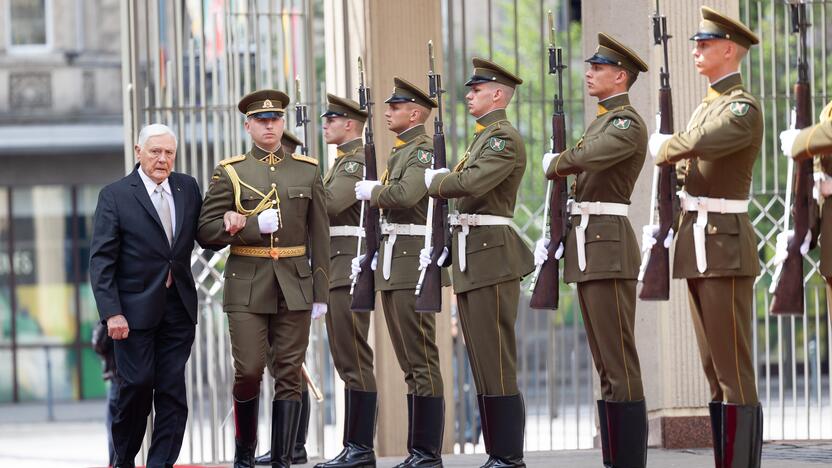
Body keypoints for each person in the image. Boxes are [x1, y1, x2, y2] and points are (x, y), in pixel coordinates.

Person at [650, 7, 763, 467]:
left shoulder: (742, 107)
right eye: (695, 44)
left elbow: (700, 144)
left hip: (725, 245)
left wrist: (668, 143)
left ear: (729, 49)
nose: (696, 51)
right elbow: (683, 165)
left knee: (734, 371)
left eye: (704, 44)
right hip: (698, 245)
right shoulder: (705, 106)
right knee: (714, 372)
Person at [197, 89, 330, 468]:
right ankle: (244, 455)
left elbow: (319, 235)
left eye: (275, 120)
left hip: (295, 283)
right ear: (248, 126)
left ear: (283, 123)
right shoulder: (232, 171)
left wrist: (320, 290)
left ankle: (283, 461)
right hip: (247, 281)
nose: (269, 125)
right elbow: (206, 231)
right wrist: (251, 226)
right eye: (261, 120)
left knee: (289, 374)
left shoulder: (307, 169)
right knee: (251, 369)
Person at [537, 33, 649, 468]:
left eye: (598, 68)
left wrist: (559, 159)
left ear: (620, 76)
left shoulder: (626, 123)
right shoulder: (601, 120)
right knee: (605, 364)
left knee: (619, 360)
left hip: (608, 248)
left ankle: (628, 461)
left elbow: (592, 156)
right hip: (588, 248)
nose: (589, 73)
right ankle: (615, 458)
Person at [424, 57, 533, 468]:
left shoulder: (502, 139)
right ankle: (497, 453)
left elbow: (470, 183)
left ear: (498, 95)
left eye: (477, 90)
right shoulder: (482, 139)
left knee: (497, 360)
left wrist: (436, 182)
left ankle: (508, 456)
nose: (468, 95)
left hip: (492, 257)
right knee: (482, 363)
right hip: (473, 256)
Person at [89, 123, 206, 468]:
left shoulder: (188, 187)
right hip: (132, 313)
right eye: (155, 151)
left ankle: (159, 464)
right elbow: (101, 260)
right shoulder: (115, 195)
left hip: (178, 309)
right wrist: (112, 313)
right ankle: (123, 460)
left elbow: (206, 236)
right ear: (138, 152)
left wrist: (232, 219)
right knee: (137, 387)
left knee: (172, 392)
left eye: (169, 152)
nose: (162, 159)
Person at [352, 77, 446, 468]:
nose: (387, 112)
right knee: (409, 362)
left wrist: (373, 192)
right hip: (394, 264)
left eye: (395, 107)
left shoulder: (421, 151)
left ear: (415, 113)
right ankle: (417, 451)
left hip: (410, 264)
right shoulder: (401, 152)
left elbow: (407, 195)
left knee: (421, 359)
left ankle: (427, 452)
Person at [313, 93, 378, 468]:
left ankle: (360, 448)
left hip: (348, 267)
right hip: (336, 268)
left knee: (353, 357)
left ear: (350, 124)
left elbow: (331, 204)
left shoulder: (354, 163)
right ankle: (355, 446)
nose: (325, 125)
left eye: (331, 119)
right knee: (345, 358)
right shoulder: (341, 162)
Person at [254, 129, 313, 467]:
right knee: (281, 367)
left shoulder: (300, 182)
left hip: (292, 285)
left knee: (289, 369)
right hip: (267, 287)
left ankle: (293, 446)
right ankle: (292, 445)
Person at [91, 321, 120, 467]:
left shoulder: (113, 313)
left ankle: (116, 463)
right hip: (124, 373)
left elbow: (98, 342)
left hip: (118, 375)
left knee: (114, 424)